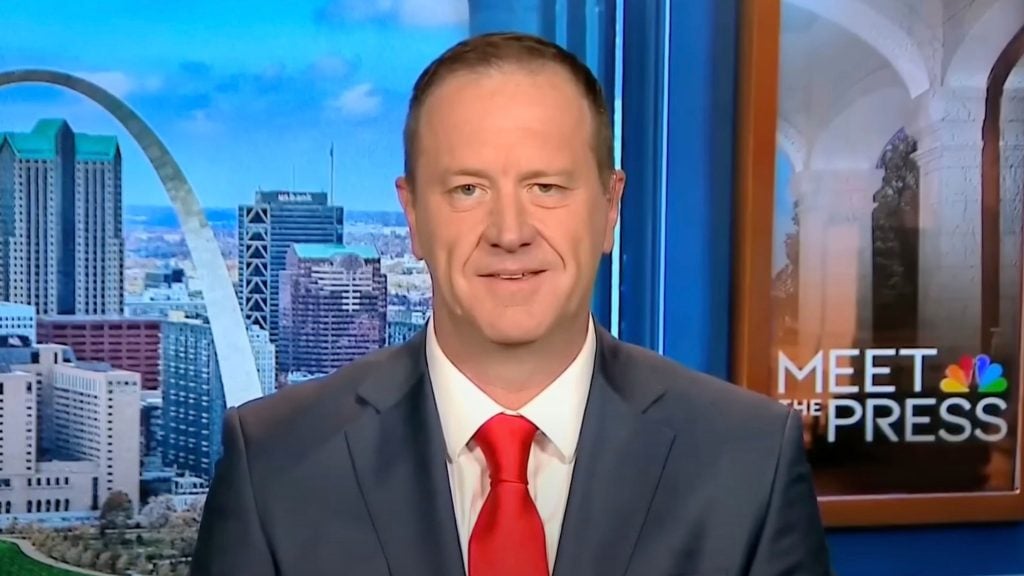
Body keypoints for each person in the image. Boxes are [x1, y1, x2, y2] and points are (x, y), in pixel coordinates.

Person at [190, 32, 832, 576]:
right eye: (468, 189)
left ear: (610, 208)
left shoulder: (747, 461)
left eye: (546, 186)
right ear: (412, 215)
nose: (510, 230)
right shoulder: (275, 462)